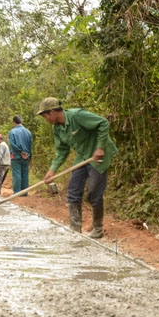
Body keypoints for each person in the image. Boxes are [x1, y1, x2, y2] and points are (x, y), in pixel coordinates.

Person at [36, 97, 118, 239]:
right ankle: (75, 230)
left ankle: (98, 229)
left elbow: (103, 123)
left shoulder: (77, 116)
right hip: (83, 156)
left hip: (98, 155)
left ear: (52, 112)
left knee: (94, 193)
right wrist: (52, 170)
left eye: (45, 116)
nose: (45, 119)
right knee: (73, 190)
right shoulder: (57, 128)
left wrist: (99, 148)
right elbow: (62, 151)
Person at [8, 115, 33, 194]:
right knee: (25, 174)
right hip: (26, 156)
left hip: (16, 156)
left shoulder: (12, 132)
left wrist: (20, 151)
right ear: (21, 122)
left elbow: (12, 144)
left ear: (14, 122)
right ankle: (25, 193)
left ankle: (17, 192)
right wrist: (29, 156)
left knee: (17, 174)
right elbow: (30, 145)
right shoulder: (28, 132)